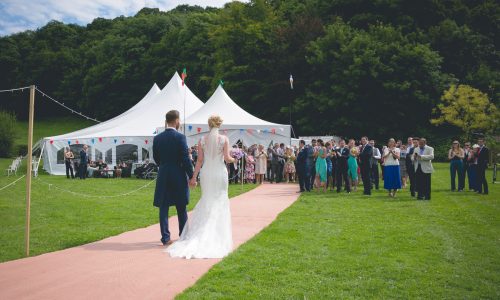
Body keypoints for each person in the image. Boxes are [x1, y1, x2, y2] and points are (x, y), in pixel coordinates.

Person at [167, 115, 235, 259]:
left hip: (206, 173)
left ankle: (201, 232)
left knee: (207, 199)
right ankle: (217, 235)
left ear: (209, 125)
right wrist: (236, 157)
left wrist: (193, 177)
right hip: (219, 172)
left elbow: (199, 161)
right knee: (220, 200)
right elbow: (227, 158)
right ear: (219, 125)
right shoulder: (224, 139)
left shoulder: (202, 140)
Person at [153, 110, 194, 247]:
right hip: (178, 174)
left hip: (163, 173)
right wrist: (192, 175)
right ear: (177, 121)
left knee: (163, 207)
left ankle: (165, 238)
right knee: (181, 206)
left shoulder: (157, 138)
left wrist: (164, 166)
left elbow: (156, 158)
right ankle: (183, 236)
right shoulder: (181, 137)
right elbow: (185, 159)